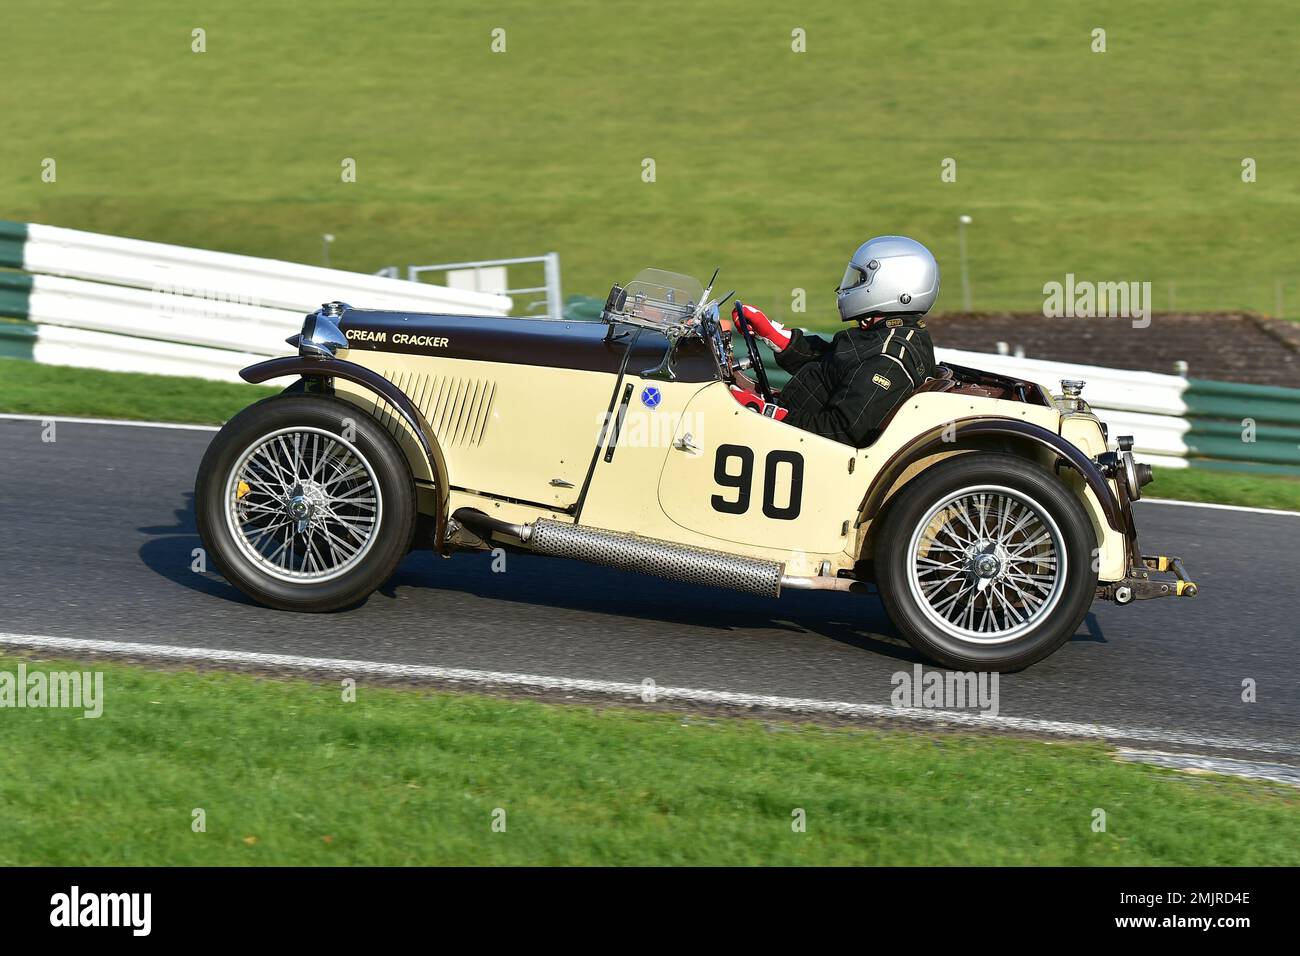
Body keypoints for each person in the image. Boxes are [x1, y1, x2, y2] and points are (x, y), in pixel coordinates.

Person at [729, 235, 939, 448]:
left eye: (861, 279)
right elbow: (831, 367)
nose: (850, 286)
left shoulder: (889, 359)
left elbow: (840, 430)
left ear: (891, 285)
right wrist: (775, 336)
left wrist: (764, 412)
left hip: (807, 451)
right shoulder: (886, 334)